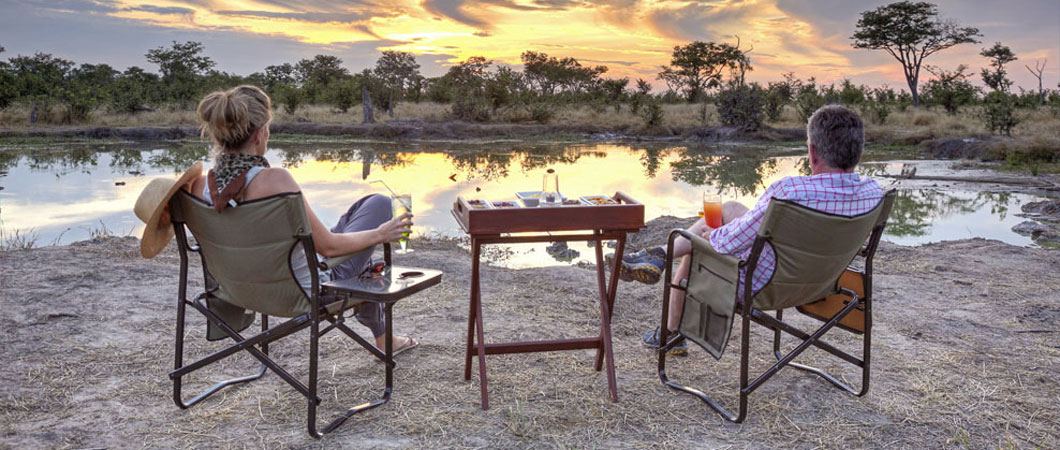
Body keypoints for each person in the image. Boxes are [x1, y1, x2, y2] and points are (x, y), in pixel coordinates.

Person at [614, 105, 883, 355]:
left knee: (696, 245)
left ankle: (671, 332)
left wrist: (711, 236)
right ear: (858, 150)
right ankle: (658, 255)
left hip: (763, 286)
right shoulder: (874, 193)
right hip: (821, 283)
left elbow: (725, 245)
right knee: (729, 208)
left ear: (812, 152)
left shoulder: (789, 191)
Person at [186, 85, 418, 354]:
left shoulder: (197, 188)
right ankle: (383, 332)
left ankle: (381, 330)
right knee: (378, 204)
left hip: (236, 291)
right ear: (261, 134)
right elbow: (329, 248)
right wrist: (381, 234)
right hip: (304, 292)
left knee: (355, 220)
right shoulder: (276, 181)